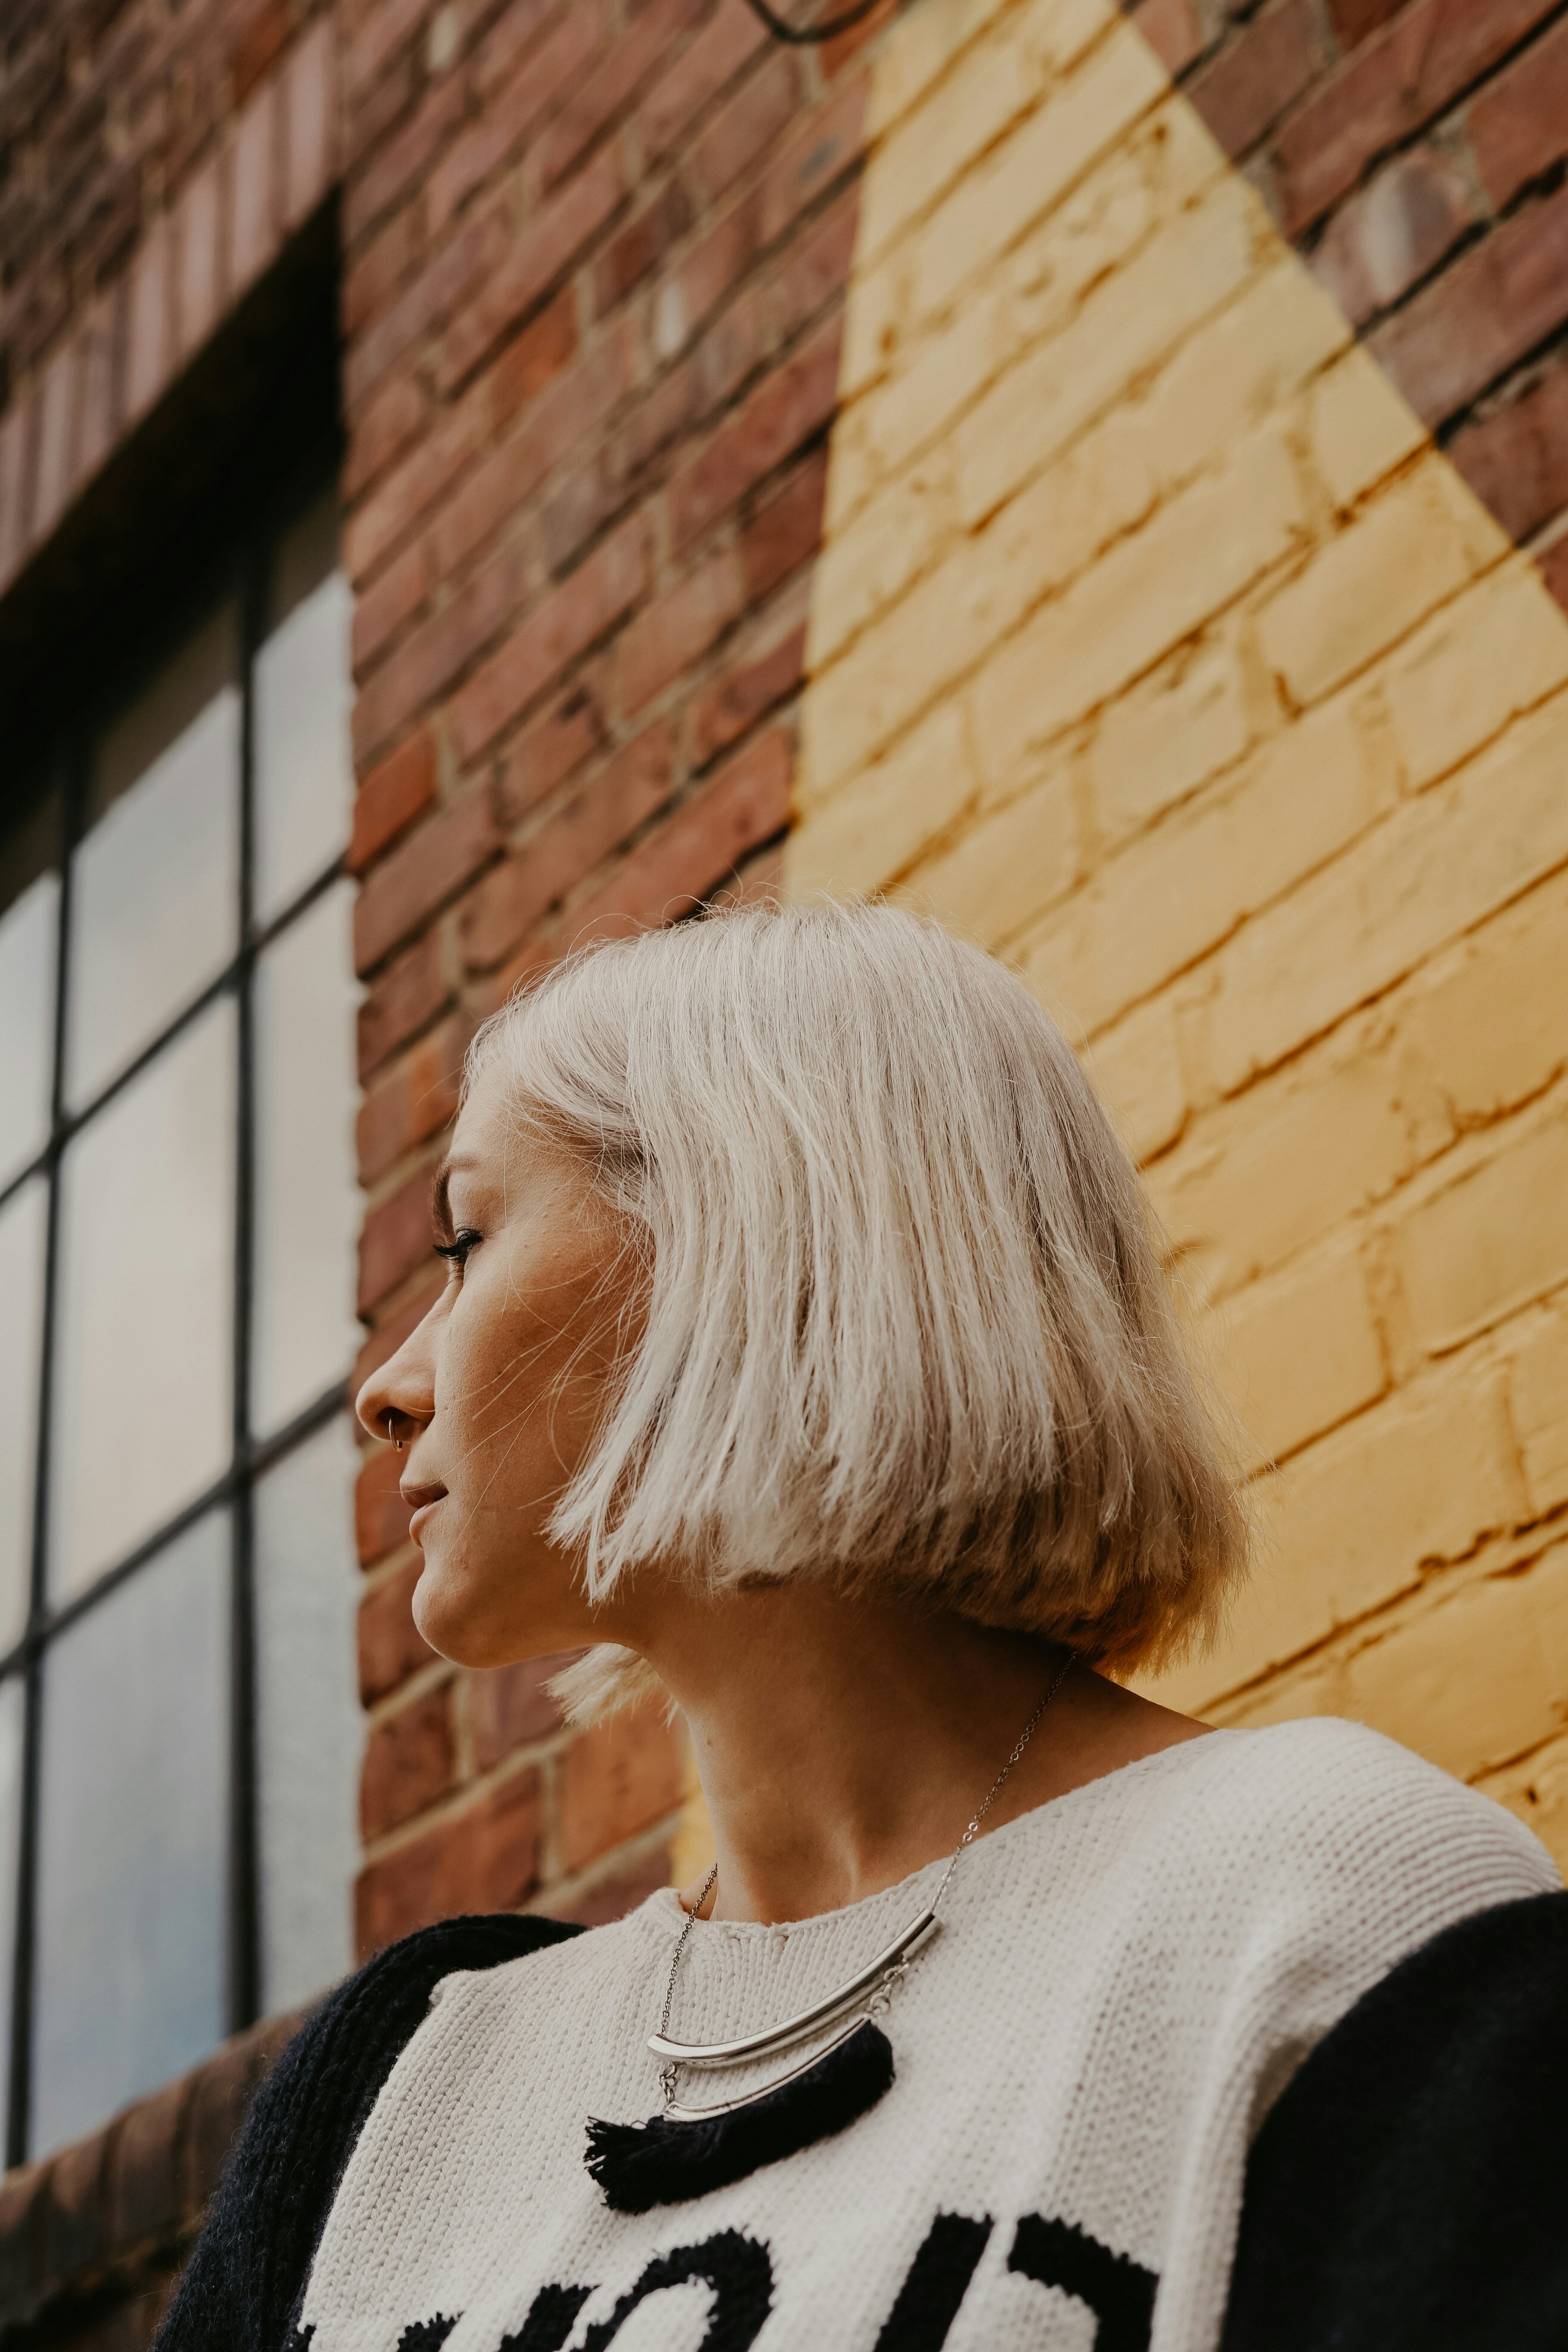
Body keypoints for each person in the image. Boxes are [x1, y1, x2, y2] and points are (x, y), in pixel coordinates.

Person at [157, 902, 1564, 2352]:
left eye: (466, 1240)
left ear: (741, 1240)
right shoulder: (398, 2087)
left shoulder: (1320, 1913)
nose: (388, 1387)